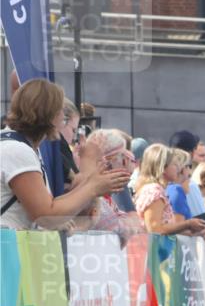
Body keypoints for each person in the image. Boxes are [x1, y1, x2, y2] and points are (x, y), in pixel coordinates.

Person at [1, 80, 129, 230]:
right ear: (47, 114)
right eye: (60, 111)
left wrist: (90, 184)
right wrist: (92, 187)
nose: (63, 117)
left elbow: (49, 206)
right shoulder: (18, 150)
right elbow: (45, 215)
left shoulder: (15, 145)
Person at [133, 143, 205, 236]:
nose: (179, 169)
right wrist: (187, 224)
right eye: (175, 165)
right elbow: (155, 228)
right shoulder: (154, 191)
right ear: (163, 167)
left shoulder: (156, 190)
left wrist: (193, 229)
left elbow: (164, 227)